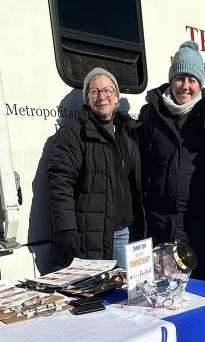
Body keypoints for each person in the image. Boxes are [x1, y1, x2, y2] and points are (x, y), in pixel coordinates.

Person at [46, 67, 143, 269]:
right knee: (96, 297)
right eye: (95, 91)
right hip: (89, 236)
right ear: (87, 98)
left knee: (124, 295)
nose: (102, 96)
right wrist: (66, 229)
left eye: (108, 90)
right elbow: (60, 183)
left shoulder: (128, 133)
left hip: (123, 233)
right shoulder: (73, 134)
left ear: (116, 98)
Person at [137, 41, 205, 279]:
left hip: (197, 222)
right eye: (180, 78)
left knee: (198, 289)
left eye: (192, 80)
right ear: (171, 80)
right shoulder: (151, 113)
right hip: (159, 220)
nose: (185, 86)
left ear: (200, 84)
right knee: (161, 287)